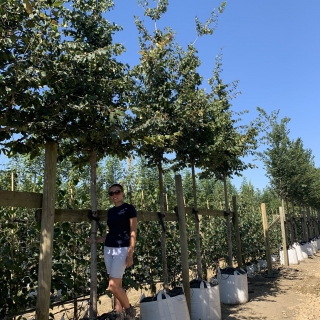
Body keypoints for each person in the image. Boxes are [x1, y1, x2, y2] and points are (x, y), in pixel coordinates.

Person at [90, 183, 137, 320]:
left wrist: (130, 253)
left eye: (117, 192)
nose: (114, 195)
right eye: (111, 193)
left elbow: (133, 231)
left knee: (112, 286)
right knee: (117, 283)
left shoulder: (129, 208)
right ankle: (119, 313)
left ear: (122, 193)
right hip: (108, 248)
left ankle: (129, 310)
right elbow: (112, 233)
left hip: (122, 249)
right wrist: (97, 240)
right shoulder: (110, 212)